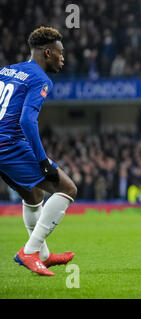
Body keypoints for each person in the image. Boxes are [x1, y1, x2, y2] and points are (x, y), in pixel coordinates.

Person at [0, 27, 77, 276]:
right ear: (48, 52)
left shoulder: (6, 70)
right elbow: (26, 121)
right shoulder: (41, 79)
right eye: (60, 53)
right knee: (68, 188)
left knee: (33, 197)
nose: (63, 57)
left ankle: (43, 255)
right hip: (9, 144)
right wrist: (42, 160)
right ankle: (30, 252)